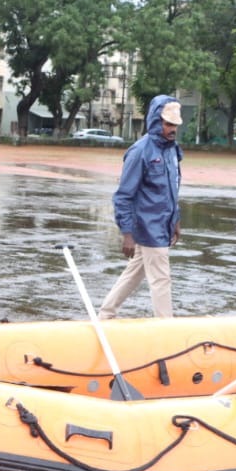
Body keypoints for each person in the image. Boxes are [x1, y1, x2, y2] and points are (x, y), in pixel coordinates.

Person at [98, 95, 183, 319]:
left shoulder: (172, 151)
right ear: (156, 121)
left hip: (163, 224)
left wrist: (176, 220)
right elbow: (123, 196)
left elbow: (172, 189)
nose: (172, 129)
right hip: (146, 226)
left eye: (175, 124)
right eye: (168, 124)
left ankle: (105, 315)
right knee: (161, 278)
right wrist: (127, 233)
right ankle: (167, 328)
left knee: (135, 273)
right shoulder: (140, 152)